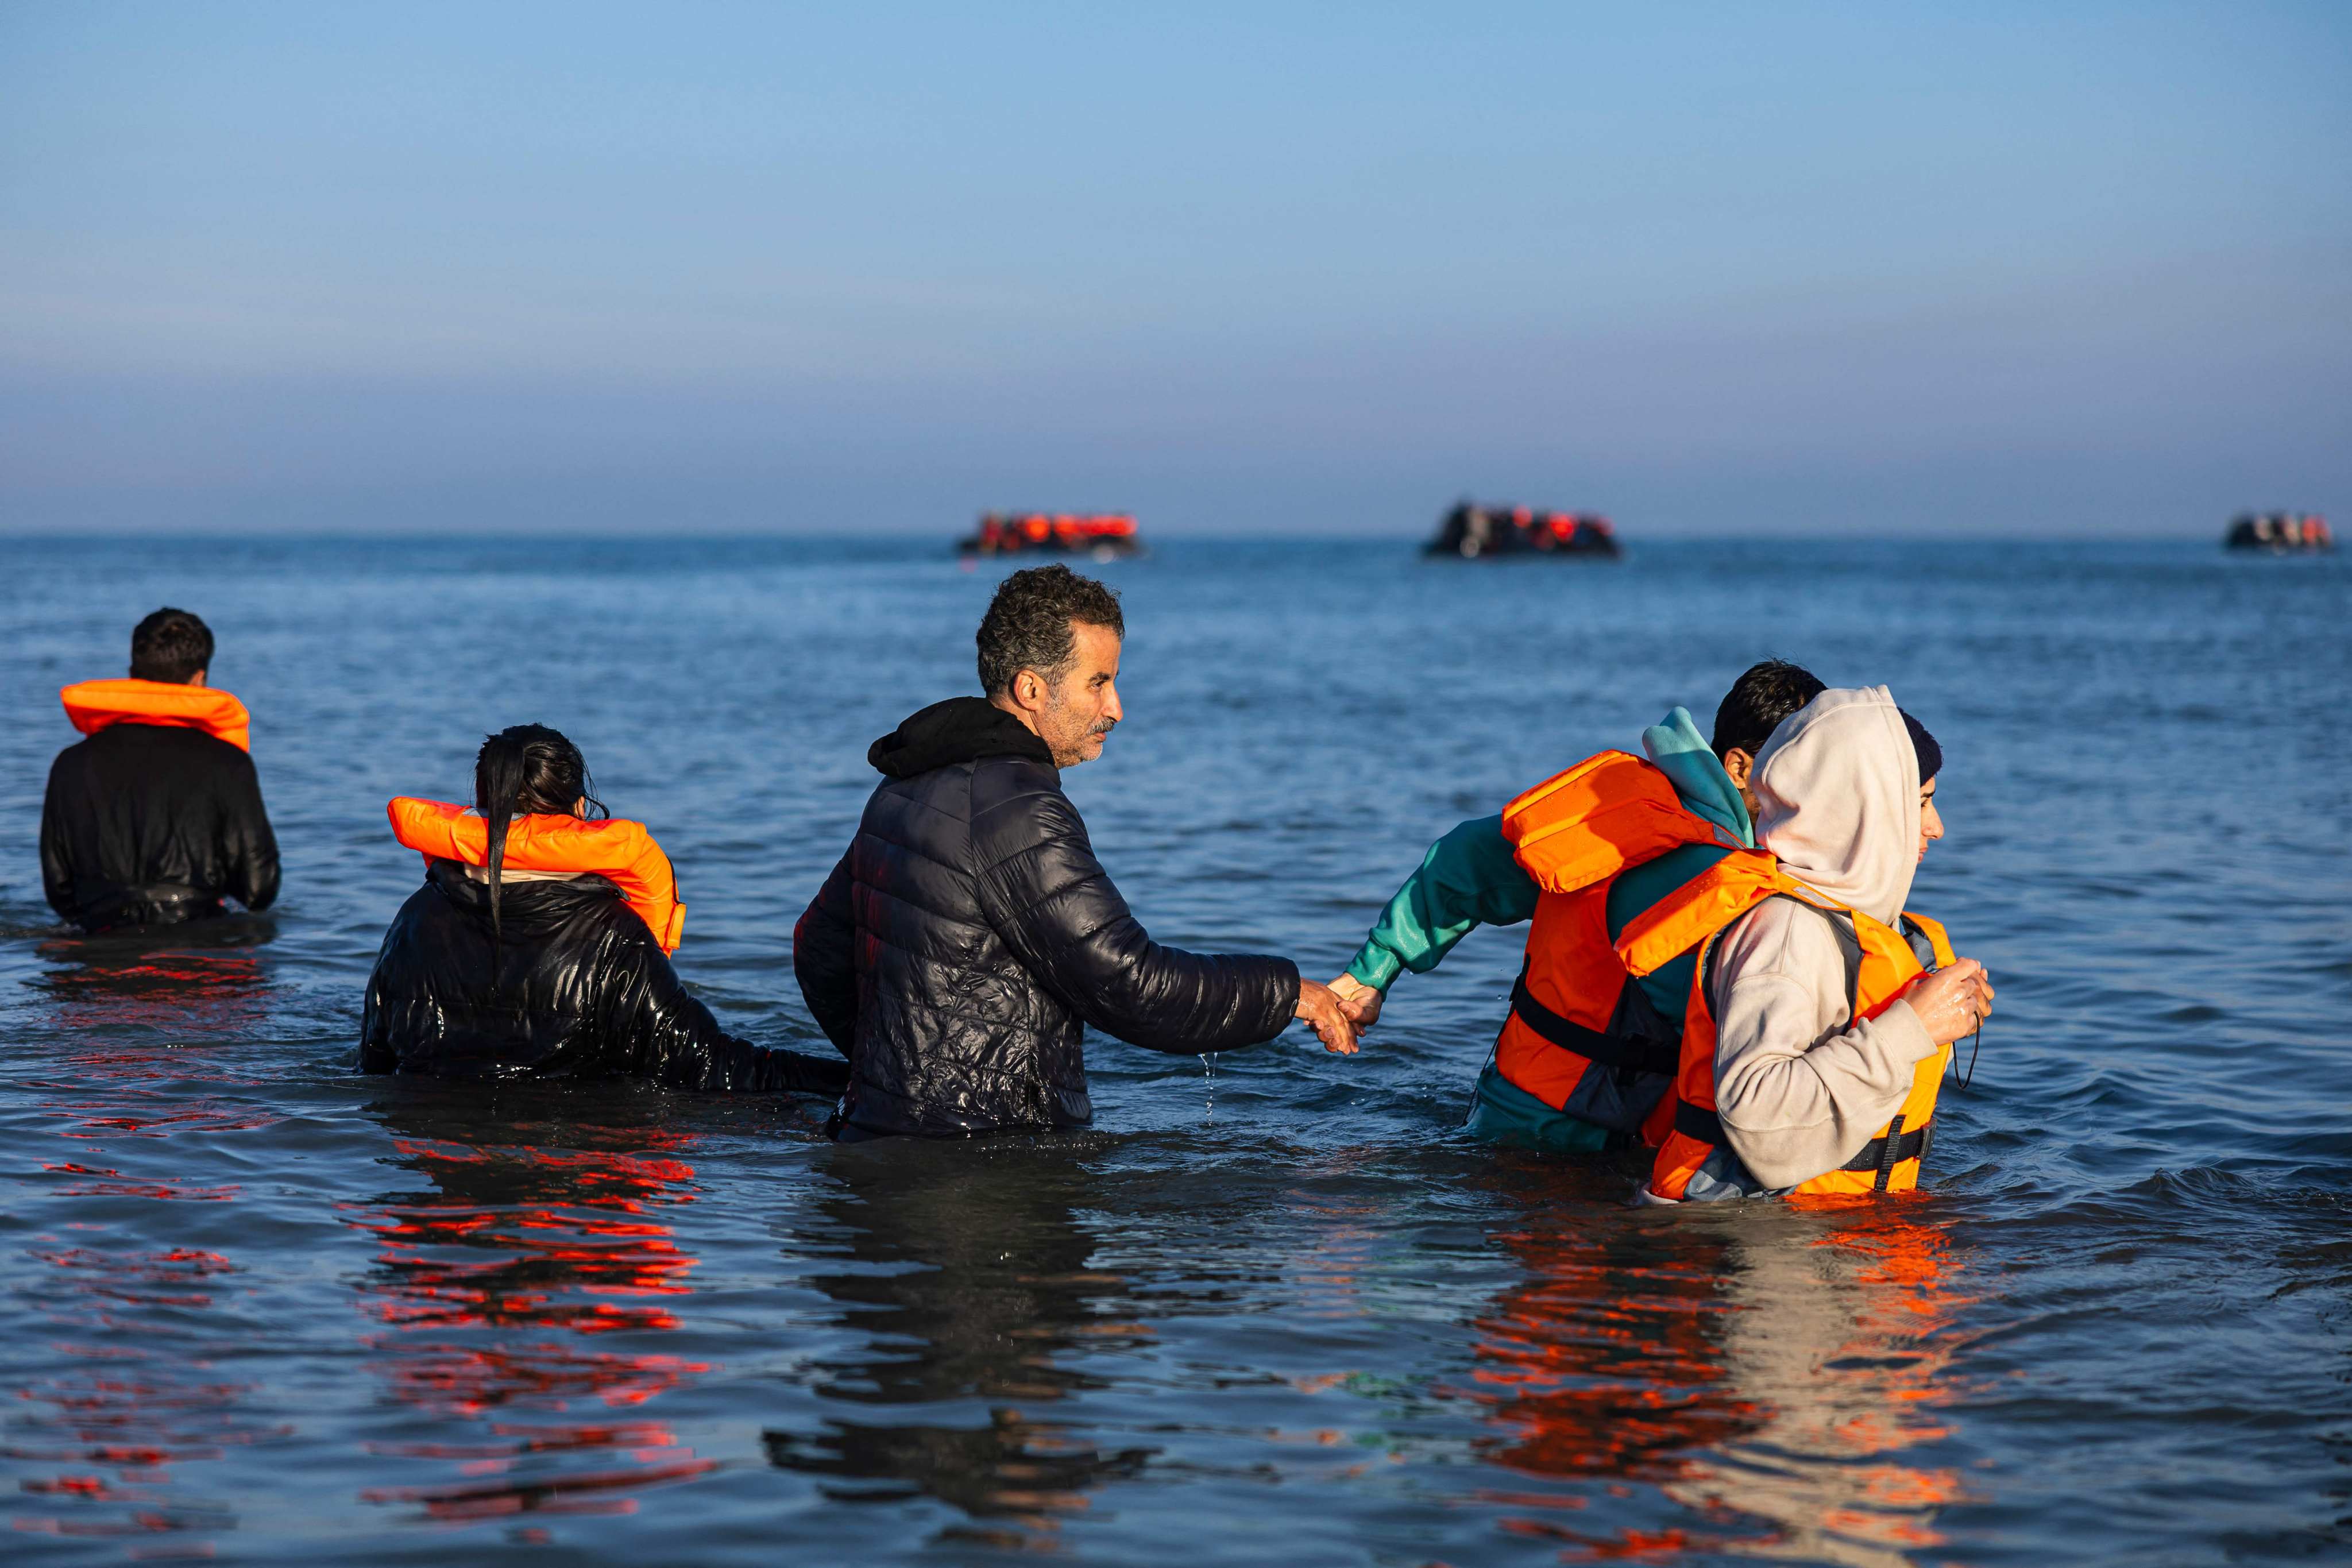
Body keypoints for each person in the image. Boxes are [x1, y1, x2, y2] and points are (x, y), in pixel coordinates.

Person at [793, 563, 1358, 1141]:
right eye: (1098, 682)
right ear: (1032, 689)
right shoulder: (1017, 810)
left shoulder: (905, 784)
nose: (1116, 708)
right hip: (983, 1170)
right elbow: (1130, 985)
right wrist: (1289, 994)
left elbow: (815, 948)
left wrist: (894, 1081)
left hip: (885, 1141)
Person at [1325, 660, 1827, 1154]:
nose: (1826, 793)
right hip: (1559, 1146)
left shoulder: (1630, 816)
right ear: (1739, 767)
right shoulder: (1700, 866)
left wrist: (1373, 973)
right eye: (1810, 772)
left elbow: (1464, 860)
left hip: (1516, 1112)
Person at [1640, 688, 1994, 1201]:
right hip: (1740, 1239)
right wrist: (1911, 1029)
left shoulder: (1862, 922)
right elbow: (1756, 1115)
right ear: (1862, 810)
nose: (1936, 828)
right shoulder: (1785, 931)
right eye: (1918, 803)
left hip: (1825, 1229)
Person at [362, 724, 846, 1096]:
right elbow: (709, 1069)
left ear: (480, 804)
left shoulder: (416, 917)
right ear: (578, 809)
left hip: (433, 1159)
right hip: (563, 1159)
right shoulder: (616, 938)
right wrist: (849, 1079)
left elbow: (375, 1058)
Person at [41, 607, 280, 932]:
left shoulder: (70, 765)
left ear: (133, 675)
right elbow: (259, 889)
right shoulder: (229, 763)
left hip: (101, 954)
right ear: (199, 678)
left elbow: (59, 890)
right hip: (204, 953)